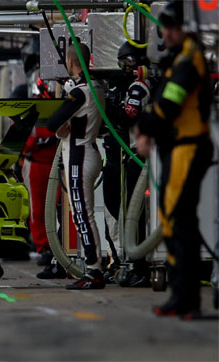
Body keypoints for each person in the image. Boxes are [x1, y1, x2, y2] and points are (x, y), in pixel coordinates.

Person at [136, 0, 214, 317]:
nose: (166, 33)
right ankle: (182, 297)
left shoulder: (188, 62)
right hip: (178, 148)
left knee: (177, 220)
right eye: (164, 27)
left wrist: (145, 127)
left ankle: (187, 298)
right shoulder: (179, 60)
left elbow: (168, 105)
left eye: (172, 27)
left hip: (189, 147)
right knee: (175, 220)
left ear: (187, 29)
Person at [46, 43, 106, 289]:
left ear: (70, 62)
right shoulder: (98, 87)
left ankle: (93, 271)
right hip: (89, 149)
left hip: (78, 155)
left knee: (82, 214)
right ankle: (93, 267)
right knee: (84, 213)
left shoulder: (80, 91)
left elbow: (53, 123)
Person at [101, 42, 155, 287]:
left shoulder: (139, 87)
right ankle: (126, 262)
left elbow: (127, 116)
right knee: (119, 211)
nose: (122, 67)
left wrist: (106, 106)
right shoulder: (126, 87)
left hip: (136, 157)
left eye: (125, 62)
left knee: (136, 215)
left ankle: (140, 265)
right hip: (123, 157)